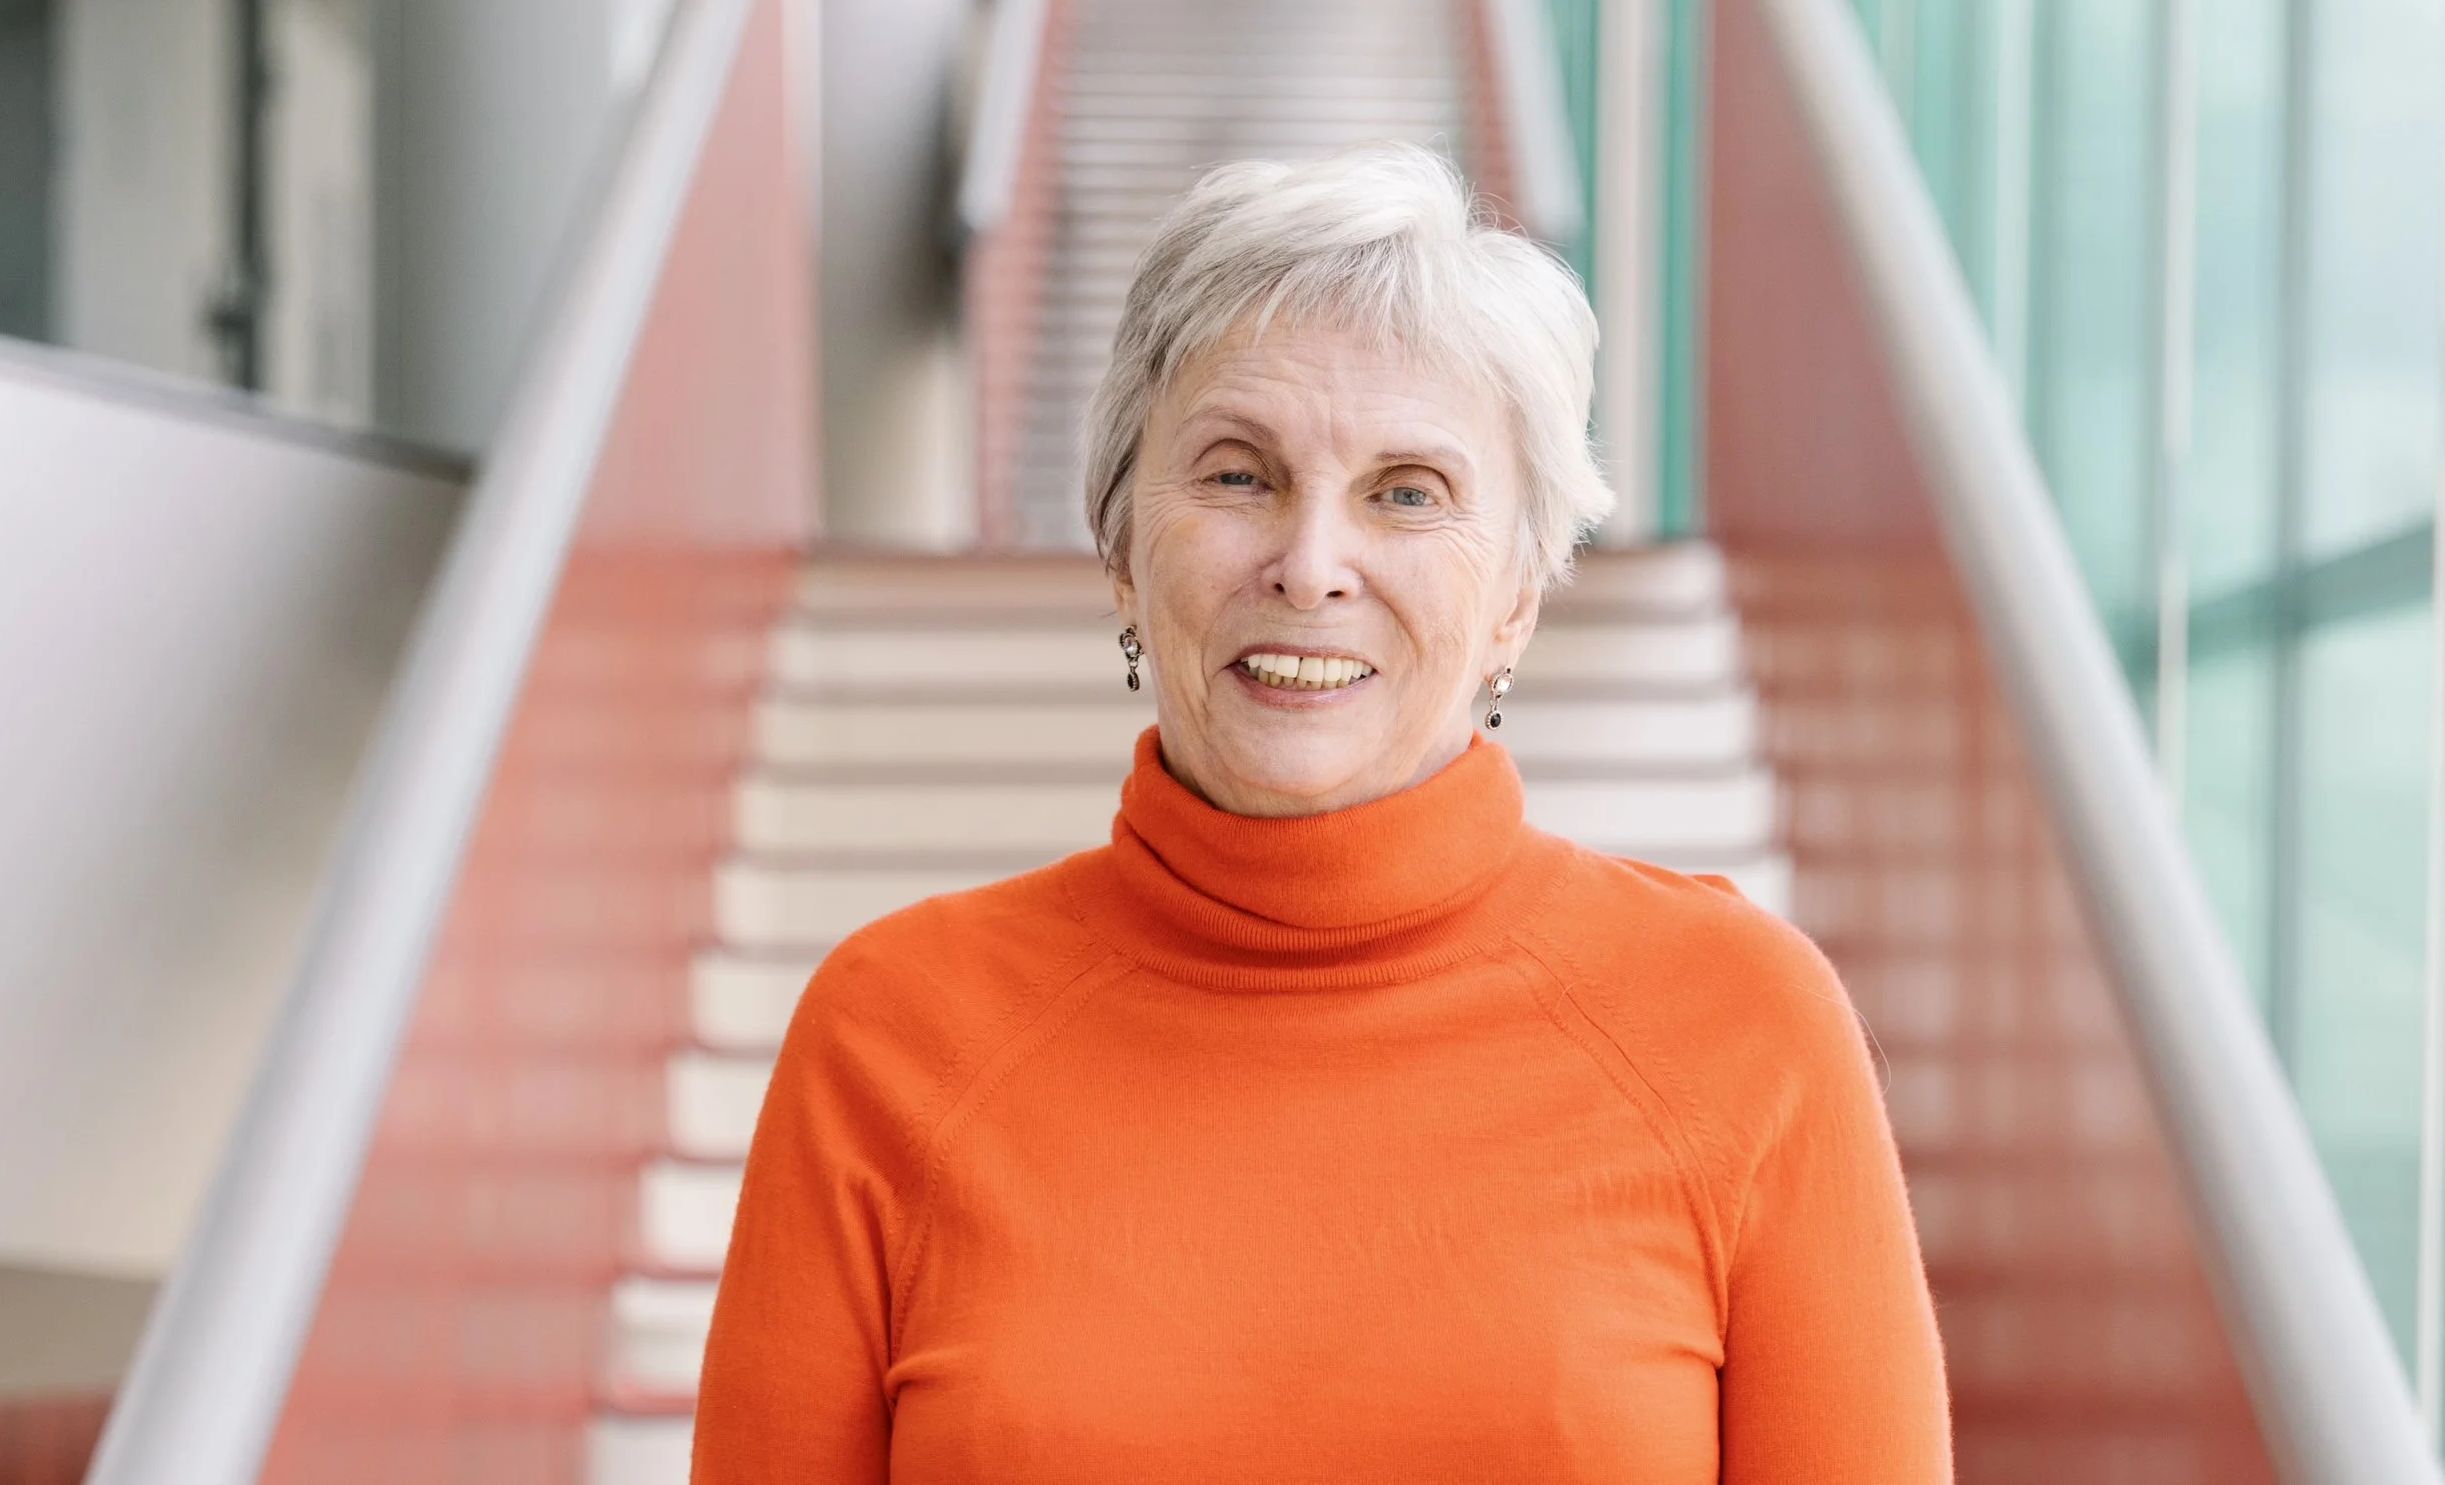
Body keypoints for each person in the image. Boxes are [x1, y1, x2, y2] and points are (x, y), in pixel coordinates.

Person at [692, 144, 1951, 1482]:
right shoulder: (889, 1034)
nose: (1311, 568)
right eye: (1239, 476)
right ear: (1121, 550)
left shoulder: (1744, 1028)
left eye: (1408, 494)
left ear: (1517, 597)